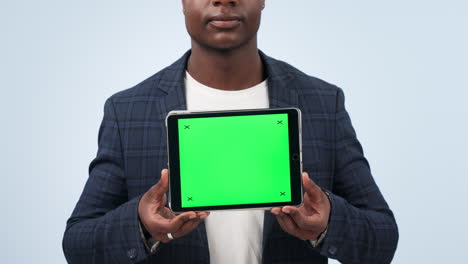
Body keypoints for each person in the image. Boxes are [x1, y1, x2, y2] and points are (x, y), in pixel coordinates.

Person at [62, 0, 399, 263]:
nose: (225, 1)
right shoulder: (128, 110)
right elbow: (78, 245)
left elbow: (382, 239)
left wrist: (327, 222)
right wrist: (142, 224)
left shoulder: (323, 103)